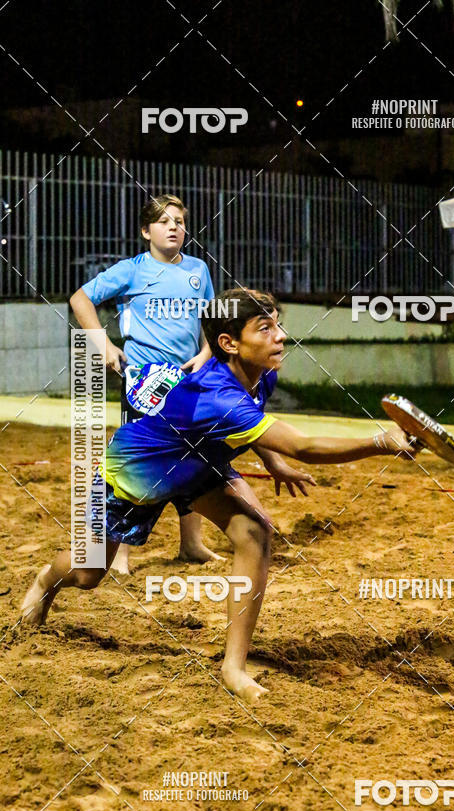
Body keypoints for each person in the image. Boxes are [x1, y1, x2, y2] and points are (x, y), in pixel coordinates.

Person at [22, 288, 420, 703]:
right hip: (139, 474)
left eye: (279, 324)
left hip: (200, 465)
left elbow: (254, 422)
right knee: (89, 574)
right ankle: (46, 580)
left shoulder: (261, 372)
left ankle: (233, 667)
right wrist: (380, 442)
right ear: (229, 343)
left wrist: (271, 462)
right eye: (265, 328)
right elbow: (302, 446)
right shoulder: (217, 397)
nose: (281, 336)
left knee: (254, 533)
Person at [70, 193, 218, 575]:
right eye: (165, 221)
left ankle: (192, 544)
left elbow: (212, 322)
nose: (174, 227)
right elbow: (80, 298)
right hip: (144, 383)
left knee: (194, 459)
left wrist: (205, 354)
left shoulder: (199, 269)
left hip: (188, 382)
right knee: (139, 465)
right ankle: (120, 553)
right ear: (145, 230)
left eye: (180, 221)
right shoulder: (131, 270)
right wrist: (101, 341)